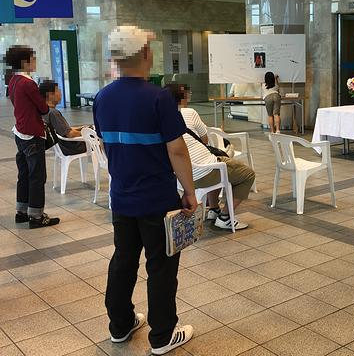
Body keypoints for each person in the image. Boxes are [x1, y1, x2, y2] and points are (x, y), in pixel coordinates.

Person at [93, 26, 196, 355]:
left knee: (123, 261)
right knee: (161, 266)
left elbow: (108, 146)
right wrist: (190, 191)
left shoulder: (102, 98)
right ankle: (162, 335)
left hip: (122, 198)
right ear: (145, 55)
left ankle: (120, 325)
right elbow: (177, 150)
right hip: (157, 200)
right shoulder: (158, 98)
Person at [165, 83, 254, 231]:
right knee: (247, 174)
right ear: (183, 97)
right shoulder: (189, 112)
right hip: (203, 171)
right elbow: (204, 139)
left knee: (218, 165)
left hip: (181, 177)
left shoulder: (160, 119)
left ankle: (214, 209)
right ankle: (225, 217)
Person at [4, 45, 59, 228]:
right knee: (37, 176)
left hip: (20, 132)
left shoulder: (13, 80)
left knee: (24, 174)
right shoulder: (28, 84)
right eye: (33, 58)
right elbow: (43, 109)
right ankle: (36, 216)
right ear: (25, 62)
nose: (35, 61)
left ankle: (21, 212)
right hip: (32, 134)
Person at [39, 80, 87, 155]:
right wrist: (86, 133)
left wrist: (81, 128)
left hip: (61, 146)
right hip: (71, 147)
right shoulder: (53, 113)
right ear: (50, 95)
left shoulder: (44, 111)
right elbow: (70, 134)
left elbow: (62, 129)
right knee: (98, 142)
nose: (60, 93)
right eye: (58, 91)